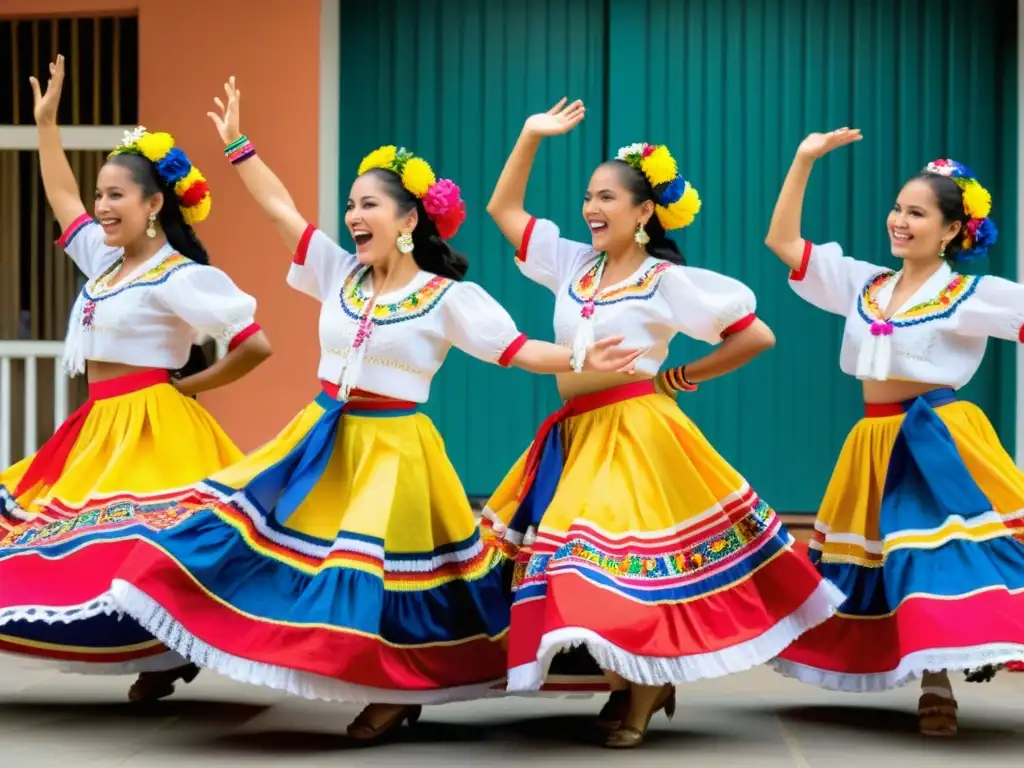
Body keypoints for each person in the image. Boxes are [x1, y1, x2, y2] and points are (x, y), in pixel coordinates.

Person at [105, 77, 642, 744]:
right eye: (351, 205)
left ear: (410, 219)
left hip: (394, 450)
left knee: (384, 582)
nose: (353, 216)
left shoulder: (448, 297)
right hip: (322, 436)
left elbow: (520, 350)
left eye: (369, 205)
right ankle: (234, 653)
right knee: (253, 547)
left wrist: (583, 357)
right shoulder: (340, 274)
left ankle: (398, 692)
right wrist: (239, 146)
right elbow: (281, 211)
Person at [479, 99, 846, 749]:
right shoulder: (572, 265)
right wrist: (530, 136)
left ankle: (642, 690)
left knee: (608, 565)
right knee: (586, 564)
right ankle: (633, 679)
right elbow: (504, 213)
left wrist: (678, 378)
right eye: (588, 197)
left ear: (644, 211)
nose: (591, 208)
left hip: (635, 434)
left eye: (607, 198)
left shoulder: (663, 281)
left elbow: (754, 335)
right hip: (576, 430)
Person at [0, 56, 272, 702]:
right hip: (97, 424)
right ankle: (164, 653)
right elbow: (61, 198)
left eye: (115, 195)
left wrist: (184, 386)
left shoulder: (179, 274)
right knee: (59, 538)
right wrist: (45, 125)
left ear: (155, 205)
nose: (100, 206)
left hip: (154, 424)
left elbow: (254, 343)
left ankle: (169, 649)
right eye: (101, 195)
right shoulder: (104, 259)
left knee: (146, 543)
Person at [764, 127, 1024, 737]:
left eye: (917, 213)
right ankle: (929, 667)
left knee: (929, 557)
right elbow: (783, 241)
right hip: (875, 442)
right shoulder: (865, 284)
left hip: (939, 439)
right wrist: (804, 158)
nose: (899, 221)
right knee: (886, 562)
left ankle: (938, 686)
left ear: (954, 230)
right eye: (898, 208)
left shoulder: (971, 294)